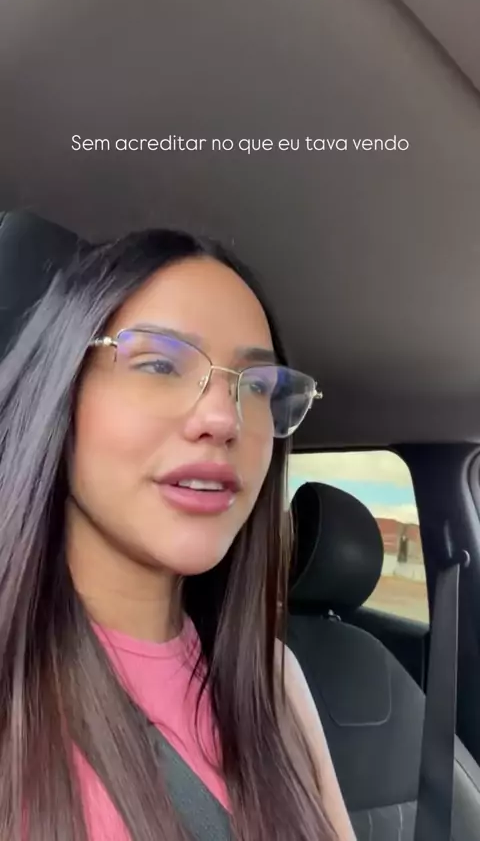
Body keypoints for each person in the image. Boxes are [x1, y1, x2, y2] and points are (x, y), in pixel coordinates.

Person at [0, 228, 355, 841]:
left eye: (257, 386)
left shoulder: (276, 684)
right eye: (161, 364)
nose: (224, 418)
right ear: (61, 387)